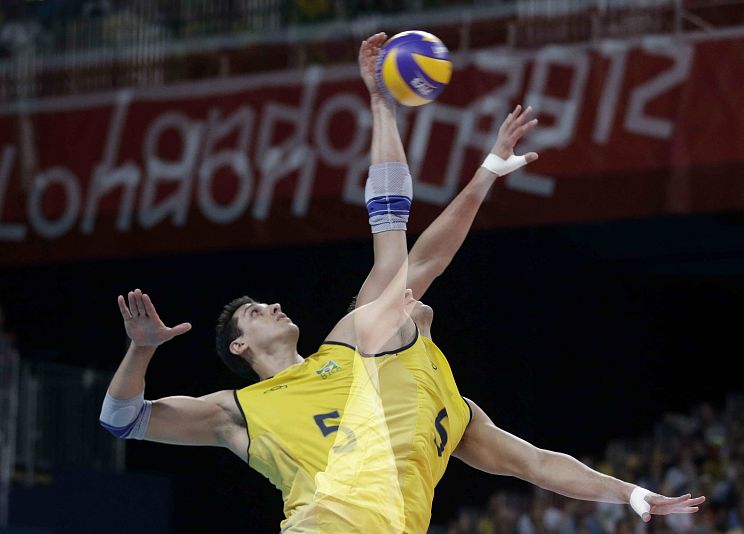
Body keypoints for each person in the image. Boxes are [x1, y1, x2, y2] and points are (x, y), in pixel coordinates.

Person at [101, 33, 704, 533]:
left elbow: (538, 463)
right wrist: (143, 348)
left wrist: (630, 495)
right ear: (240, 347)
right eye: (256, 310)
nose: (274, 304)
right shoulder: (247, 406)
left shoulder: (422, 385)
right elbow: (122, 419)